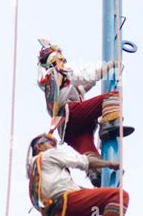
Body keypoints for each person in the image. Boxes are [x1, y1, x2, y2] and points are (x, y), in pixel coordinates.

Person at [37, 39, 134, 187]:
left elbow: (82, 87)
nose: (64, 60)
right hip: (73, 116)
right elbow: (87, 76)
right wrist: (110, 66)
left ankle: (96, 173)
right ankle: (109, 125)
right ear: (55, 59)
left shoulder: (52, 81)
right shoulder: (59, 72)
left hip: (68, 130)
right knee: (112, 97)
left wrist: (101, 74)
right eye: (61, 58)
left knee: (90, 154)